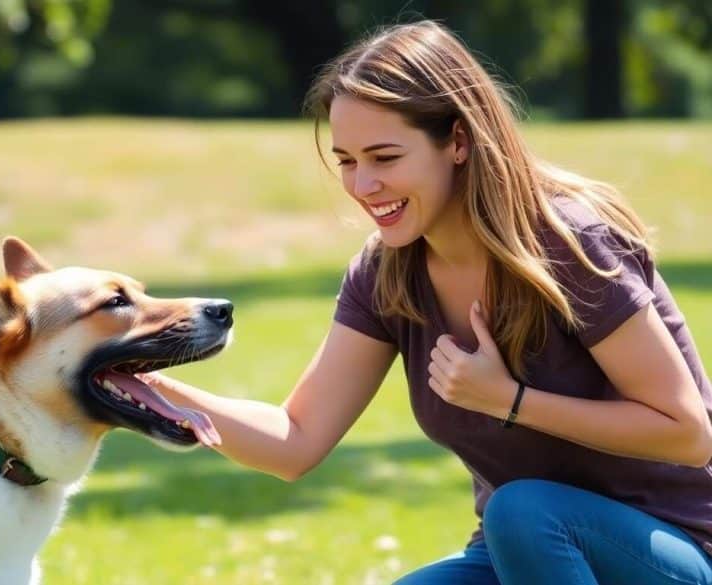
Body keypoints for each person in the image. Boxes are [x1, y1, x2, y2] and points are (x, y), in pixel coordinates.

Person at [140, 20, 712, 584]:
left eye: (384, 158)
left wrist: (509, 400)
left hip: (670, 549)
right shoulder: (388, 272)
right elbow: (295, 439)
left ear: (458, 141)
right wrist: (144, 383)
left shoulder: (570, 246)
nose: (362, 186)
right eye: (346, 160)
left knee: (521, 509)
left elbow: (686, 433)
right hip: (514, 552)